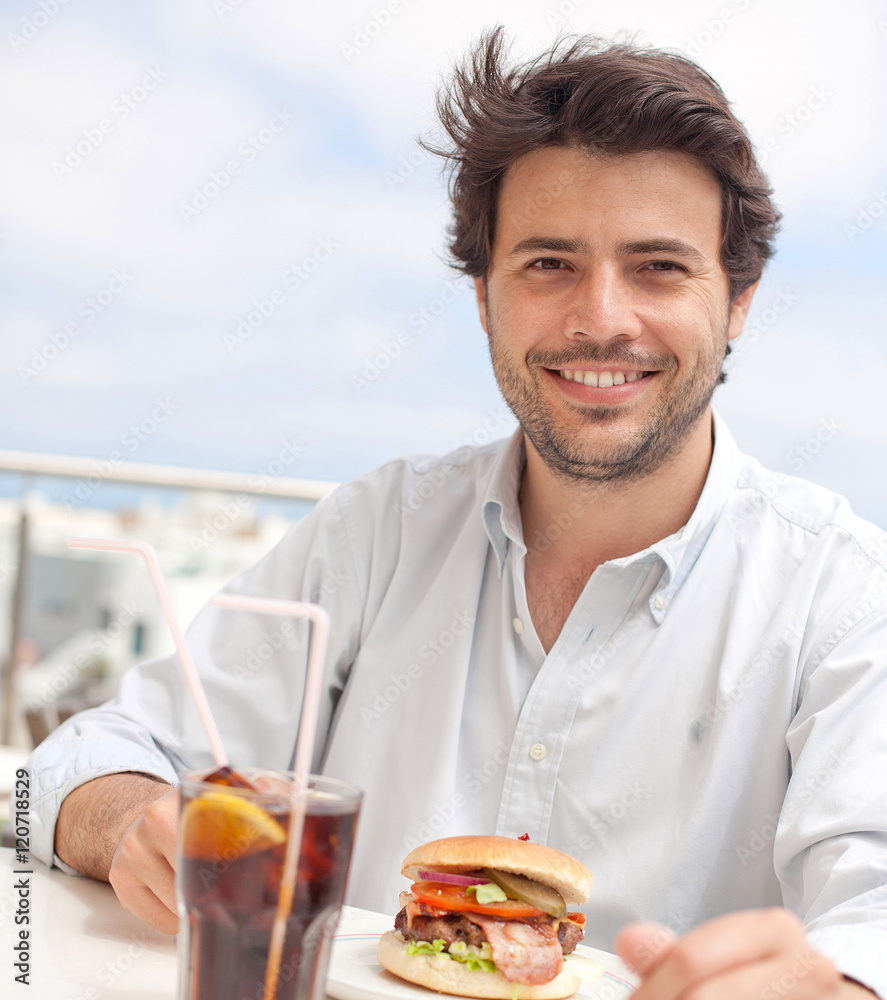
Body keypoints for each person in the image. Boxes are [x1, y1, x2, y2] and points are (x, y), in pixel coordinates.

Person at [27, 28, 887, 998]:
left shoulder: (845, 598)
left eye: (657, 266)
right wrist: (130, 819)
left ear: (736, 301)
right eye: (548, 264)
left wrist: (834, 984)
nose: (600, 317)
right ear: (482, 296)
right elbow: (90, 758)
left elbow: (873, 910)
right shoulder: (376, 531)